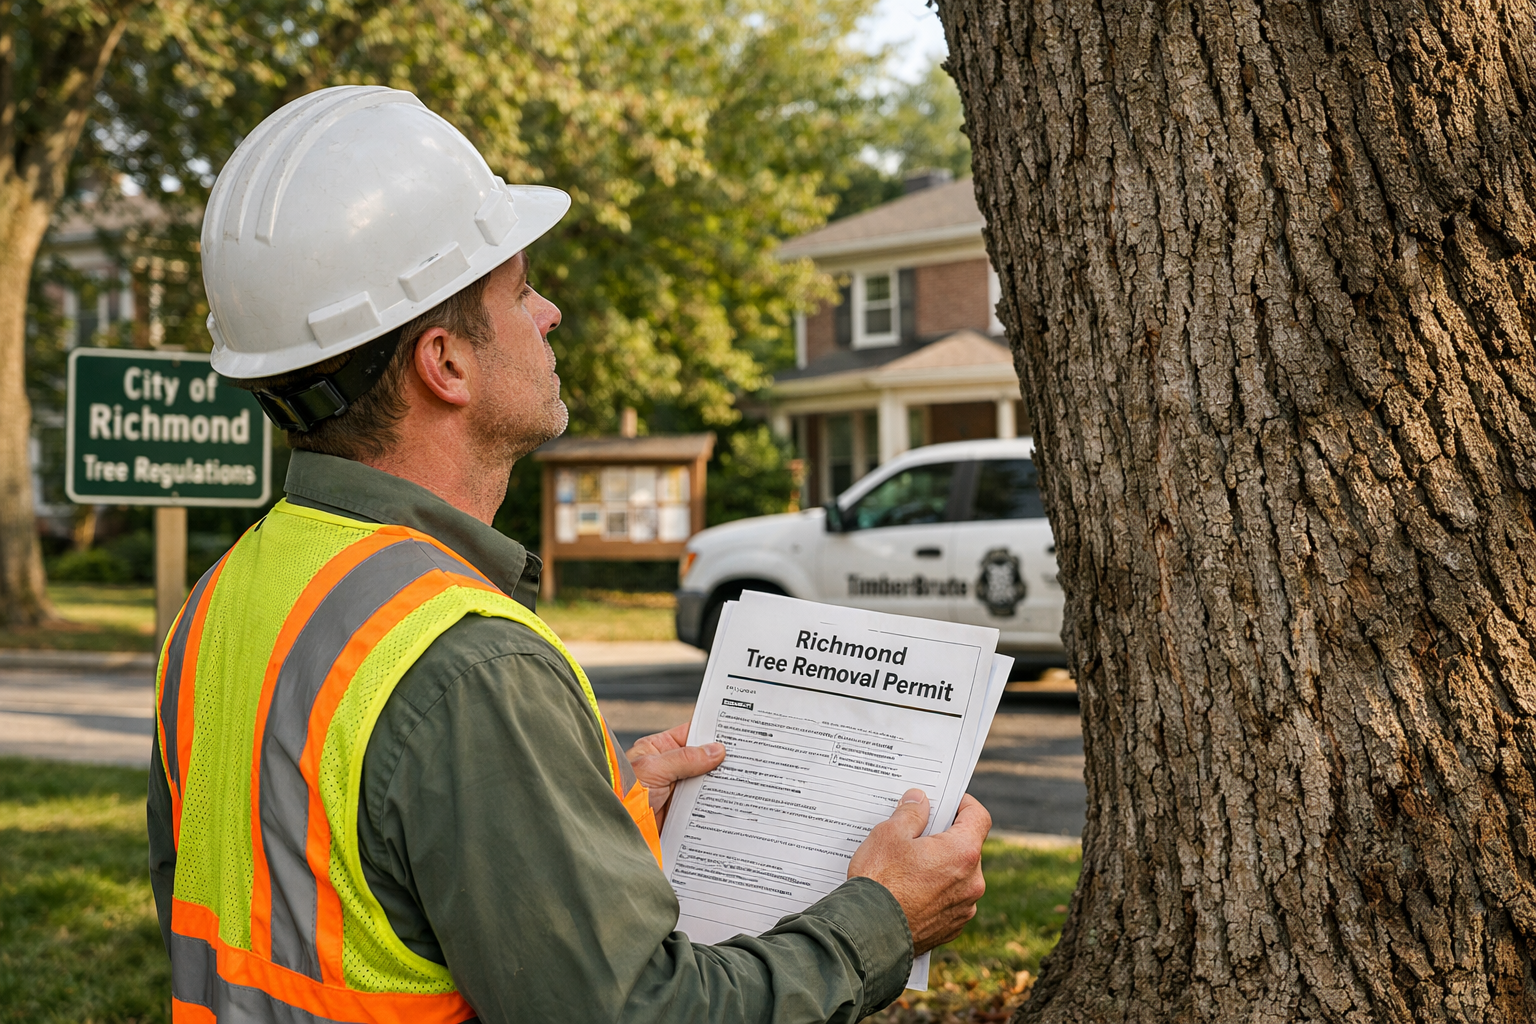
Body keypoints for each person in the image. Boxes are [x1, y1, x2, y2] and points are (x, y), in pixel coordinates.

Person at [148, 85, 991, 1024]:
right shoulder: (469, 668)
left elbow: (324, 891)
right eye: (518, 291)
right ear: (448, 364)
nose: (548, 314)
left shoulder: (223, 597)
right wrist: (880, 919)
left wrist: (592, 820)